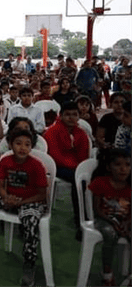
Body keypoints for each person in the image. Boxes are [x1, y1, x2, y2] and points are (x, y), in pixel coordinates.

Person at [0, 128, 49, 287]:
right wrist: (5, 197)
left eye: (27, 144)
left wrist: (19, 202)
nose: (22, 147)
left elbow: (42, 195)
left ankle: (29, 263)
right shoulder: (6, 161)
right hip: (9, 197)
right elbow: (0, 185)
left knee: (30, 221)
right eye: (18, 143)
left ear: (31, 147)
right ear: (11, 145)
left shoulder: (37, 165)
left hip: (30, 201)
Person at [44, 101, 90, 238]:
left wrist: (81, 168)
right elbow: (55, 156)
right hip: (56, 167)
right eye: (67, 115)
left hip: (75, 167)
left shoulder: (81, 133)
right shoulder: (51, 132)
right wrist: (77, 169)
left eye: (74, 115)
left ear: (79, 116)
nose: (71, 118)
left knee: (90, 178)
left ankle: (92, 217)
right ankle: (81, 221)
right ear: (61, 116)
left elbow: (83, 155)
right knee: (79, 182)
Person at [88, 148, 131, 287]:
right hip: (103, 219)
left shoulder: (130, 186)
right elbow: (97, 209)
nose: (123, 169)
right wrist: (112, 221)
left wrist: (127, 223)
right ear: (108, 167)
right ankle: (107, 273)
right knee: (110, 234)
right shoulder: (100, 182)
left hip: (124, 220)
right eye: (118, 165)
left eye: (127, 165)